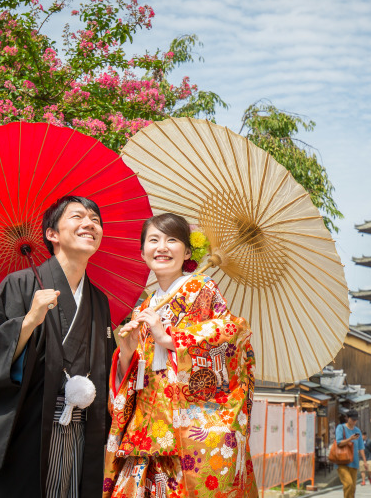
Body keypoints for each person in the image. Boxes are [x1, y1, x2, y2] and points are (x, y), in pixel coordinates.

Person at [0, 196, 114, 497]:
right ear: (52, 234)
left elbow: (105, 371)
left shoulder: (98, 301)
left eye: (95, 219)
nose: (90, 223)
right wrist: (28, 322)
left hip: (79, 436)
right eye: (78, 216)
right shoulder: (20, 284)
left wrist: (127, 351)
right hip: (29, 430)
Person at [105, 213, 257, 497]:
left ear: (187, 252)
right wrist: (126, 351)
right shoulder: (143, 309)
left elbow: (231, 335)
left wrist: (168, 338)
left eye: (172, 240)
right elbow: (133, 375)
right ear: (143, 252)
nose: (162, 247)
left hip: (188, 428)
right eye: (154, 240)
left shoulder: (202, 288)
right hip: (145, 424)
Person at [335, 410, 367, 498]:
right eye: (352, 419)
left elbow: (361, 447)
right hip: (342, 462)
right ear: (347, 418)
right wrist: (350, 439)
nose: (354, 421)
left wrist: (365, 461)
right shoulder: (340, 428)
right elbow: (339, 443)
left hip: (354, 462)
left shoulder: (357, 430)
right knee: (348, 483)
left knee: (352, 487)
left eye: (355, 420)